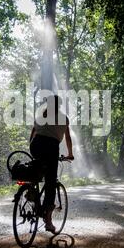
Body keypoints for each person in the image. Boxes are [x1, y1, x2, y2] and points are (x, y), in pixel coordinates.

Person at [29, 95, 74, 232]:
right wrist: (70, 154)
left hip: (35, 146)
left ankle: (31, 190)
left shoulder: (41, 116)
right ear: (59, 105)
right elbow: (68, 138)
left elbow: (33, 134)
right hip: (50, 147)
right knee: (51, 182)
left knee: (37, 170)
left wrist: (31, 148)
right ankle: (48, 221)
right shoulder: (64, 118)